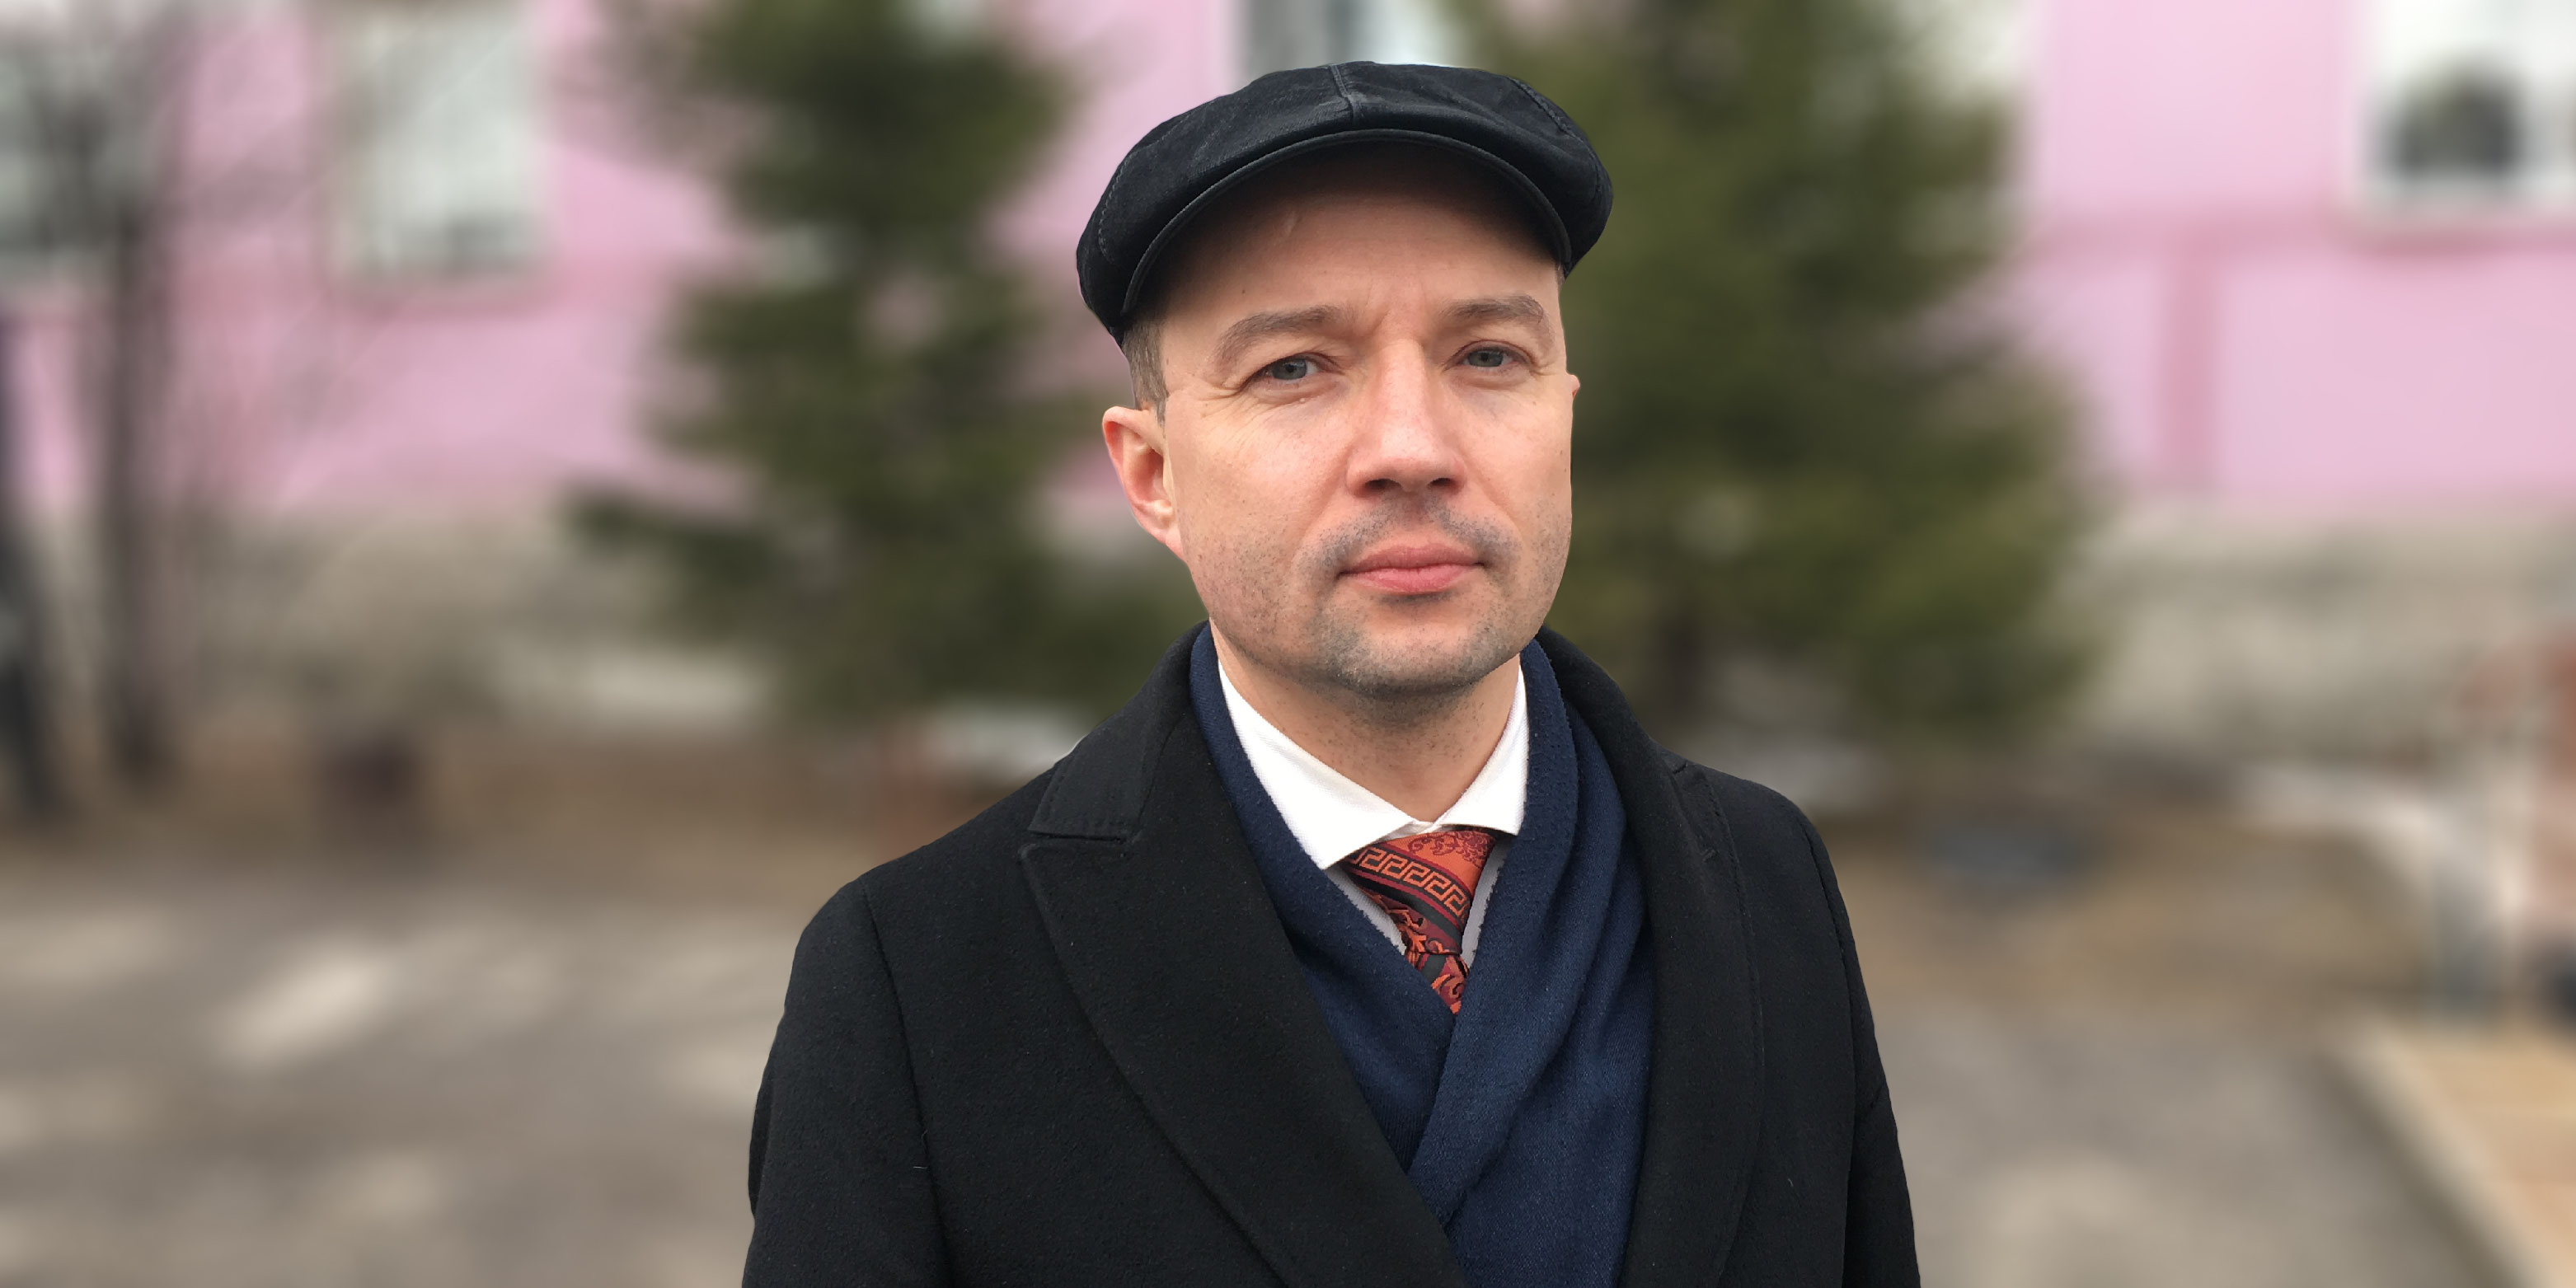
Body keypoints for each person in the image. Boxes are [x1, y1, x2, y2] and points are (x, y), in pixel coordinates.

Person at [744, 63, 1917, 1288]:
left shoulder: (1765, 880)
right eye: (1294, 368)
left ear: (1566, 412)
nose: (1411, 448)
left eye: (1489, 355)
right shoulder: (919, 980)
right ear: (1153, 476)